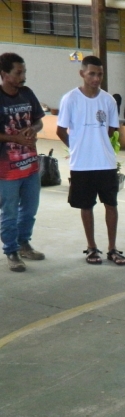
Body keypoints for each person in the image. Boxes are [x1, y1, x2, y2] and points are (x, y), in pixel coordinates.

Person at [56, 55, 125, 266]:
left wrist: (98, 142)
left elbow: (112, 129)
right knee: (86, 206)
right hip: (82, 165)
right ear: (82, 73)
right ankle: (92, 247)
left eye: (100, 74)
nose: (96, 78)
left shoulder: (108, 100)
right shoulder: (70, 99)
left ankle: (112, 248)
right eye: (92, 74)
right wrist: (76, 147)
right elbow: (60, 130)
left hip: (106, 163)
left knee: (111, 204)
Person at [0, 52, 45, 272]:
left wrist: (33, 129)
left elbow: (39, 121)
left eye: (24, 72)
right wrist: (15, 139)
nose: (23, 77)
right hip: (6, 169)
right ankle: (11, 251)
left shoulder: (27, 93)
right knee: (9, 211)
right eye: (18, 73)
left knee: (29, 209)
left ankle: (24, 243)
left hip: (30, 165)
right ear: (4, 74)